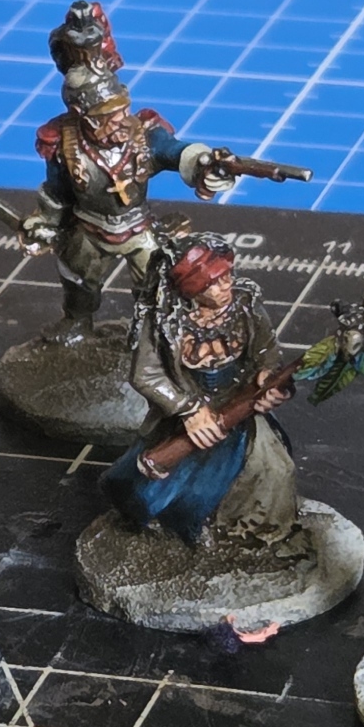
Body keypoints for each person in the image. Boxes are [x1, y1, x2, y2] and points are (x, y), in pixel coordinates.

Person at [99, 233, 295, 545]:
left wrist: (269, 382)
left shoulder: (245, 306)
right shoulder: (164, 321)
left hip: (240, 408)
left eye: (227, 275)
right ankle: (172, 528)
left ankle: (246, 533)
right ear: (193, 288)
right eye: (214, 282)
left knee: (275, 469)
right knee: (154, 489)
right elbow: (146, 375)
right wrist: (189, 410)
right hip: (184, 413)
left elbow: (267, 353)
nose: (226, 285)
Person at [26, 66, 236, 345]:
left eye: (122, 110)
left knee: (154, 282)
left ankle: (155, 332)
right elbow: (58, 190)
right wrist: (45, 221)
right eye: (108, 115)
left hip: (138, 227)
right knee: (77, 278)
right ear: (82, 114)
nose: (120, 120)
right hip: (89, 226)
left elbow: (174, 152)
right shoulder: (64, 145)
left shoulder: (143, 136)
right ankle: (77, 322)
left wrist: (203, 163)